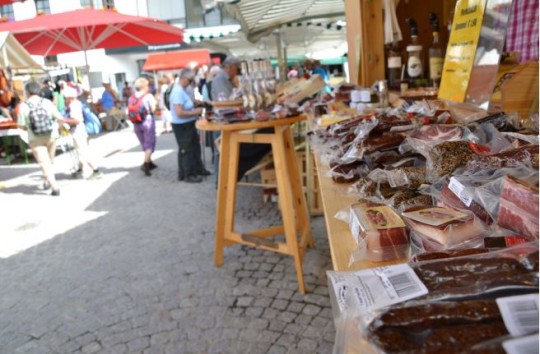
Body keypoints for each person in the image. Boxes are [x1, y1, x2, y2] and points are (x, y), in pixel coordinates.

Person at [211, 56, 272, 183]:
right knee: (221, 151)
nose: (237, 71)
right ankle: (221, 181)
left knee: (224, 150)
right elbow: (227, 101)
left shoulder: (226, 79)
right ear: (230, 67)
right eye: (236, 68)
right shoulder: (221, 79)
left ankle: (225, 179)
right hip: (223, 119)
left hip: (226, 118)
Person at [17, 81, 63, 196]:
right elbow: (59, 117)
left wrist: (28, 127)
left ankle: (55, 187)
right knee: (50, 161)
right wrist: (61, 129)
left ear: (27, 92)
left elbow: (21, 125)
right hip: (51, 136)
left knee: (44, 162)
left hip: (35, 138)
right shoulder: (47, 102)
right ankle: (46, 181)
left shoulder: (24, 106)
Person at [170, 68, 210, 183]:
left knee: (193, 147)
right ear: (183, 78)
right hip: (182, 125)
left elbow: (186, 104)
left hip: (188, 123)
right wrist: (195, 112)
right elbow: (179, 112)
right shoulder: (177, 91)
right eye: (190, 80)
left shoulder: (183, 89)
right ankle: (188, 174)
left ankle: (196, 169)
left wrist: (195, 103)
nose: (191, 82)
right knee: (186, 149)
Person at [60, 86, 103, 180]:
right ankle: (80, 170)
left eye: (65, 98)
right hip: (80, 130)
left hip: (78, 131)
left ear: (69, 97)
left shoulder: (73, 105)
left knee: (83, 152)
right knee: (80, 151)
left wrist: (63, 120)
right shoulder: (77, 103)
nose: (64, 100)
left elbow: (76, 120)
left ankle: (96, 171)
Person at [131, 77, 158, 176]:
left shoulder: (132, 97)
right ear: (144, 86)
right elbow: (153, 109)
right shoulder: (148, 96)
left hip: (136, 122)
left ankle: (150, 162)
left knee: (144, 143)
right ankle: (146, 164)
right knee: (150, 143)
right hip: (147, 121)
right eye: (147, 85)